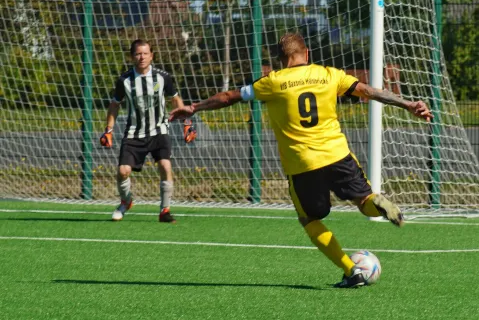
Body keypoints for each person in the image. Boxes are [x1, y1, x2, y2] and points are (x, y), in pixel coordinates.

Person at [170, 33, 432, 287]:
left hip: (302, 165)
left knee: (310, 220)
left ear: (279, 59)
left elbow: (229, 97)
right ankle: (377, 202)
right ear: (307, 53)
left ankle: (351, 270)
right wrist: (407, 104)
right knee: (363, 201)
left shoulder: (272, 82)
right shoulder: (329, 74)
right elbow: (369, 91)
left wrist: (193, 108)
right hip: (337, 154)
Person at [100, 39, 197, 223]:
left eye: (145, 53)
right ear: (132, 57)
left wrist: (187, 124)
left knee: (165, 166)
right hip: (134, 133)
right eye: (138, 54)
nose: (141, 57)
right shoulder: (124, 80)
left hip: (159, 130)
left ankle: (164, 211)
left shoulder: (163, 77)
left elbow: (176, 100)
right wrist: (108, 130)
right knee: (122, 171)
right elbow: (114, 105)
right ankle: (126, 201)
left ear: (152, 56)